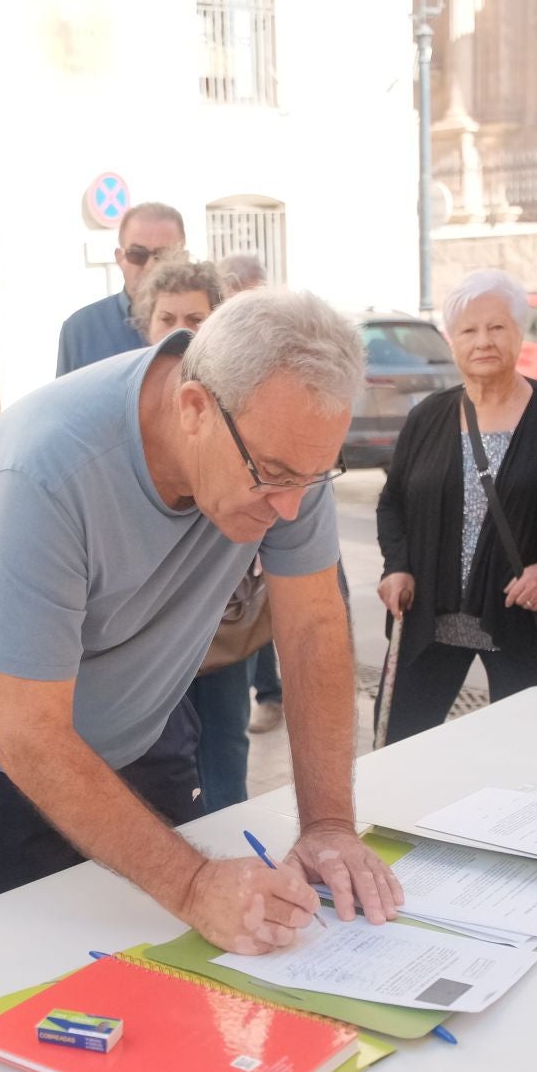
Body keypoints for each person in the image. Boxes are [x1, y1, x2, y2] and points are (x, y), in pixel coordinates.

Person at [0, 288, 405, 952]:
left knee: (176, 948)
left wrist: (329, 825)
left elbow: (313, 627)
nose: (289, 509)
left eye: (312, 480)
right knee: (30, 963)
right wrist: (194, 885)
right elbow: (28, 734)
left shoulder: (284, 447)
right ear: (194, 409)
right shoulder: (42, 470)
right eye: (272, 476)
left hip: (142, 711)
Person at [375, 271, 537, 741]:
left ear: (519, 333)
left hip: (521, 617)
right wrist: (396, 567)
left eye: (497, 327)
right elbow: (392, 503)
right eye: (468, 330)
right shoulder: (427, 416)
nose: (483, 341)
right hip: (428, 617)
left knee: (523, 750)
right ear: (452, 341)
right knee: (400, 746)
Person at [131, 259, 254, 811]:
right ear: (147, 325)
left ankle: (230, 842)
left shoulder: (243, 406)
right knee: (158, 761)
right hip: (146, 631)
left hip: (221, 621)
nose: (181, 331)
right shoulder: (125, 415)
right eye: (167, 318)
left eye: (196, 319)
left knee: (225, 743)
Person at [214, 252, 286, 732]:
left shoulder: (281, 354)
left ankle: (274, 694)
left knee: (269, 601)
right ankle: (269, 691)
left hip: (270, 515)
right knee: (246, 605)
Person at [56, 201, 184, 375]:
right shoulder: (81, 330)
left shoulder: (207, 324)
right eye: (137, 254)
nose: (150, 266)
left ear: (183, 258)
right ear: (119, 258)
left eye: (163, 255)